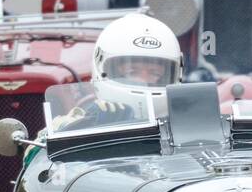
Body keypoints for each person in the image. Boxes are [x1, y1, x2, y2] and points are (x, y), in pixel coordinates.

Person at [52, 12, 184, 132]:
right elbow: (37, 151)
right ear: (101, 67)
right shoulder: (70, 123)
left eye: (155, 74)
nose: (143, 81)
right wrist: (90, 128)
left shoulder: (187, 126)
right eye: (132, 72)